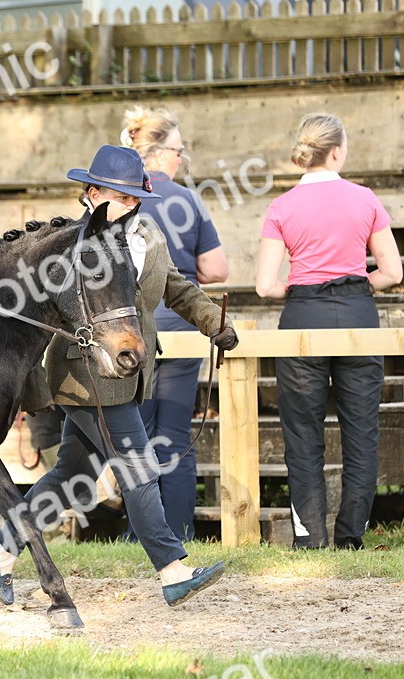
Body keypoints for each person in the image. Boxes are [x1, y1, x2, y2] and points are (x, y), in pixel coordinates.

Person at [0, 145, 237, 608]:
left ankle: (4, 542)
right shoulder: (74, 244)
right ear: (92, 193)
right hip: (88, 373)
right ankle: (171, 568)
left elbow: (174, 286)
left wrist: (211, 321)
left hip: (131, 371)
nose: (130, 203)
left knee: (73, 472)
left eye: (134, 196)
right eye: (119, 196)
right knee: (138, 468)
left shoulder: (148, 233)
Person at [256, 113, 402, 550]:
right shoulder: (365, 199)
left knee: (303, 433)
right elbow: (392, 272)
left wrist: (303, 289)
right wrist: (355, 285)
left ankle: (309, 538)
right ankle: (351, 537)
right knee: (361, 431)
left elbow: (265, 286)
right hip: (358, 315)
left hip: (302, 316)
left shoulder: (281, 207)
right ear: (336, 151)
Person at [120, 105, 231, 541]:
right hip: (182, 329)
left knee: (137, 436)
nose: (181, 159)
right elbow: (217, 268)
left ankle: (140, 535)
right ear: (160, 152)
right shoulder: (189, 199)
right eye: (179, 151)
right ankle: (181, 530)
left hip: (133, 330)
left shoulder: (121, 198)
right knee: (176, 435)